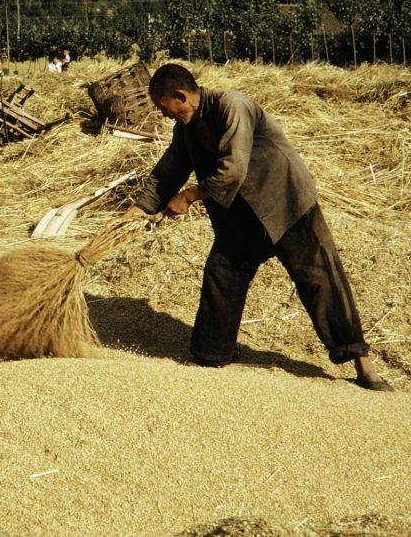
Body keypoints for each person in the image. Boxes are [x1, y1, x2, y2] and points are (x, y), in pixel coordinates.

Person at [124, 63, 392, 391]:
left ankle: (362, 361)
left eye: (165, 108)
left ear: (181, 95)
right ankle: (210, 357)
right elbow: (168, 171)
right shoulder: (186, 129)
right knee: (221, 276)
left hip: (284, 201)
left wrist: (191, 196)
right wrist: (138, 209)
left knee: (320, 278)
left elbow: (234, 168)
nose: (164, 115)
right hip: (240, 216)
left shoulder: (231, 106)